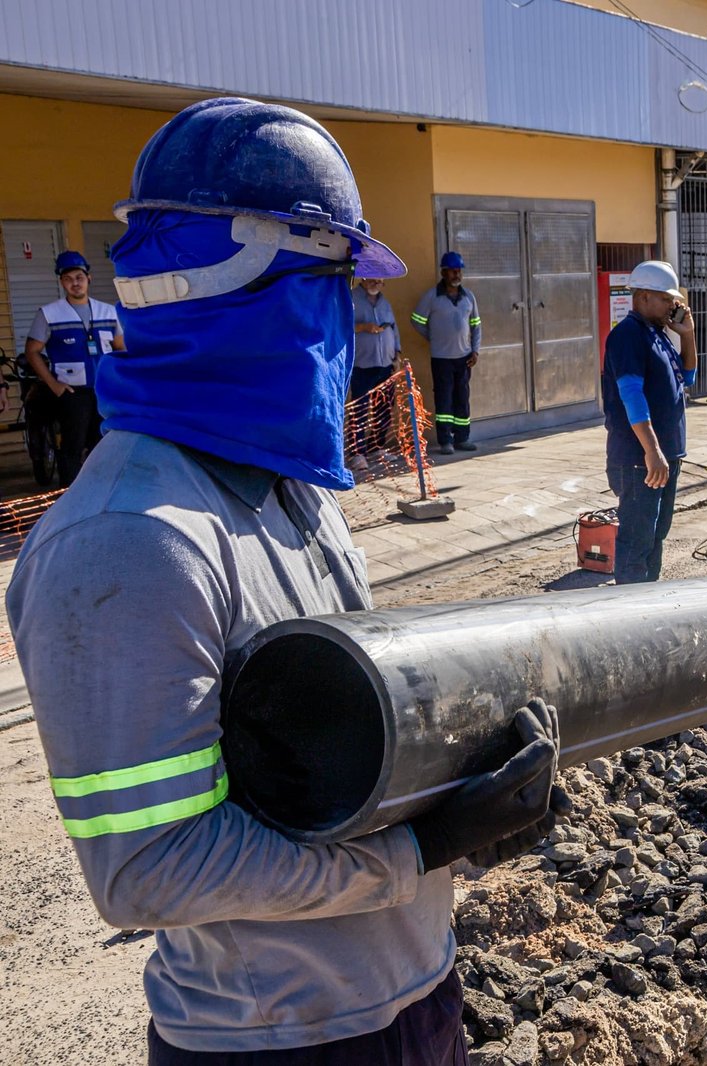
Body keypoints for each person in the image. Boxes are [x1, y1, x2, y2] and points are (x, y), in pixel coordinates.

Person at [6, 97, 563, 1064]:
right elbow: (150, 867)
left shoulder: (287, 491)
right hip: (281, 1042)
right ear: (257, 285)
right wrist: (414, 856)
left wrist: (457, 794)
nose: (345, 322)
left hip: (411, 996)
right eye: (334, 286)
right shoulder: (131, 541)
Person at [600, 260, 697, 584]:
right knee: (637, 539)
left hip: (665, 456)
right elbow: (631, 395)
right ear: (642, 296)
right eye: (665, 298)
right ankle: (630, 611)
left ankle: (649, 601)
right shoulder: (628, 336)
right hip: (639, 459)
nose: (673, 304)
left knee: (656, 535)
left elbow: (689, 378)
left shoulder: (658, 335)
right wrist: (652, 451)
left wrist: (688, 335)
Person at [23, 250, 125, 486]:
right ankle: (69, 497)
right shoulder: (49, 314)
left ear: (89, 278)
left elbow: (121, 348)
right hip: (72, 394)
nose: (74, 283)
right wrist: (54, 385)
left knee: (103, 445)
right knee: (72, 448)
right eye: (68, 279)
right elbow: (32, 350)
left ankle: (102, 493)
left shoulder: (108, 312)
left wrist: (121, 383)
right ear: (61, 282)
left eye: (79, 277)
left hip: (103, 391)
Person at [411, 251, 480, 454]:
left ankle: (462, 438)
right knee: (444, 399)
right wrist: (434, 338)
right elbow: (416, 321)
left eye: (458, 271)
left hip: (464, 358)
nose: (456, 275)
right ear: (443, 272)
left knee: (462, 398)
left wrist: (475, 350)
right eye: (452, 271)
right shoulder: (432, 297)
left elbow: (476, 325)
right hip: (441, 358)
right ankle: (445, 441)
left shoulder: (469, 297)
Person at [350, 275, 401, 470]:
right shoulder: (351, 299)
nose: (376, 283)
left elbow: (394, 328)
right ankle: (357, 453)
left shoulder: (384, 302)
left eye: (380, 281)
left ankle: (376, 447)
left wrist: (397, 353)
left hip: (384, 364)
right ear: (363, 278)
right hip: (361, 364)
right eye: (372, 279)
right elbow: (341, 326)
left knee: (384, 409)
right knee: (359, 410)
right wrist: (363, 327)